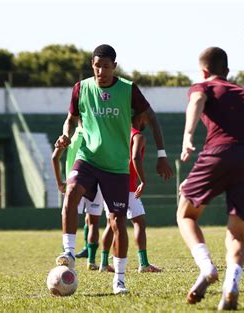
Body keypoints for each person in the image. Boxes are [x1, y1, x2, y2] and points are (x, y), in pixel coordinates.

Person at [54, 44, 172, 295]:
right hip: (88, 157)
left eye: (106, 66)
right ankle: (68, 252)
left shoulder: (128, 90)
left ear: (114, 66)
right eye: (97, 65)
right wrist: (66, 135)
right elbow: (71, 119)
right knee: (71, 192)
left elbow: (152, 118)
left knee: (118, 221)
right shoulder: (81, 88)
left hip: (117, 166)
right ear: (91, 65)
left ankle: (119, 280)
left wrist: (161, 155)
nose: (101, 70)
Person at [176, 47, 244, 310]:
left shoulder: (202, 87)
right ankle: (231, 285)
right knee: (236, 235)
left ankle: (206, 268)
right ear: (227, 70)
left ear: (204, 71)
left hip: (219, 153)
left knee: (186, 214)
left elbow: (196, 102)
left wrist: (187, 136)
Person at [99, 115, 162, 273]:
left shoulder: (116, 133)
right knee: (139, 222)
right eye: (145, 118)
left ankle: (103, 263)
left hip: (109, 182)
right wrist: (143, 181)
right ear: (140, 118)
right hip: (127, 184)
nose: (147, 120)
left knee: (110, 223)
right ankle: (144, 264)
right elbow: (135, 157)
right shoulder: (138, 136)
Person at [51, 124, 104, 270]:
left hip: (72, 183)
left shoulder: (70, 136)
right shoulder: (97, 132)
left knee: (68, 215)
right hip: (95, 182)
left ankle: (68, 254)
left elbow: (55, 158)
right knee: (93, 221)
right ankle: (92, 261)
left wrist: (59, 182)